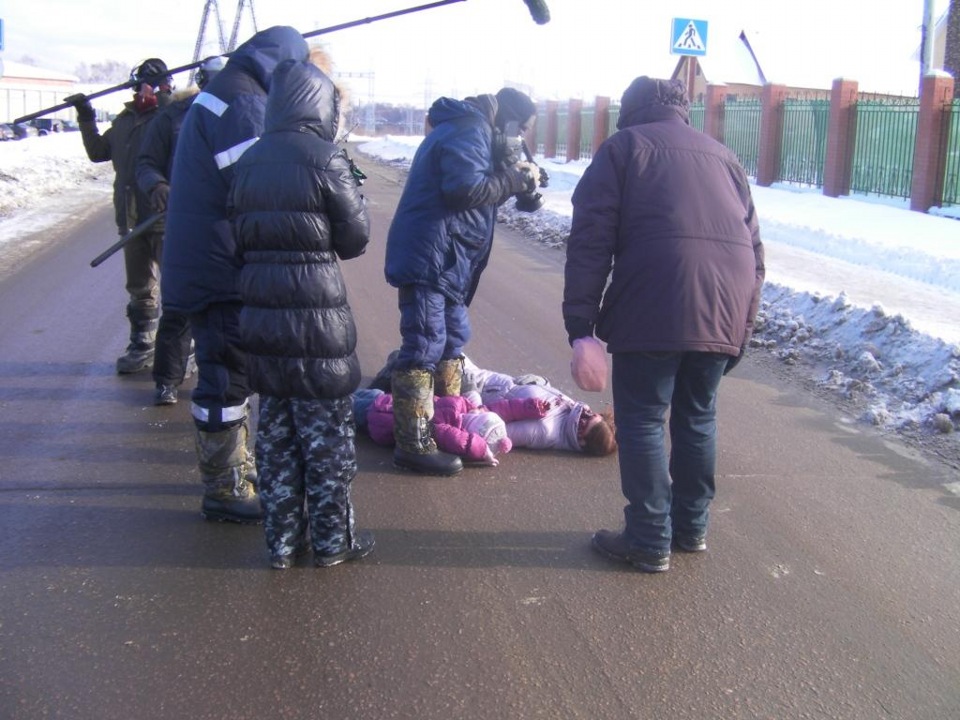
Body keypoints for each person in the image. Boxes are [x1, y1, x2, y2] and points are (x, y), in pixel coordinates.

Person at [562, 76, 765, 573]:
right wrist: (741, 328)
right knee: (697, 417)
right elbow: (756, 255)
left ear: (629, 113)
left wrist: (581, 328)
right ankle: (691, 528)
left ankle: (649, 538)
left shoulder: (623, 148)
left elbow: (591, 242)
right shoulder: (725, 158)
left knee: (644, 418)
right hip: (725, 304)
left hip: (654, 299)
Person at [161, 26, 310, 524]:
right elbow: (258, 187)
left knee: (228, 369)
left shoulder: (224, 91)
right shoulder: (243, 102)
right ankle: (224, 486)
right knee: (226, 375)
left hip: (208, 259)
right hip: (220, 266)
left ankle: (232, 472)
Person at [230, 57, 373, 570]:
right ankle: (333, 542)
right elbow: (355, 239)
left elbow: (235, 238)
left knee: (276, 439)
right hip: (317, 323)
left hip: (262, 318)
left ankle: (283, 544)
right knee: (327, 441)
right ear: (322, 103)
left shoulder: (246, 160)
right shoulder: (325, 158)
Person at [383, 87, 544, 476]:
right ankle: (414, 443)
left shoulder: (475, 132)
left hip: (450, 258)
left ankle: (446, 421)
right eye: (521, 128)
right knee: (425, 342)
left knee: (453, 338)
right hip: (431, 256)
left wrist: (519, 185)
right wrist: (512, 180)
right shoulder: (469, 129)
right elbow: (463, 191)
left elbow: (477, 194)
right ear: (506, 120)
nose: (521, 137)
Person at [65, 59, 174, 375]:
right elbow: (98, 152)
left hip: (165, 216)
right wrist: (86, 117)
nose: (145, 90)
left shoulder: (171, 118)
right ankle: (143, 343)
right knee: (139, 285)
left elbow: (183, 141)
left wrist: (164, 95)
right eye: (143, 84)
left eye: (152, 85)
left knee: (180, 288)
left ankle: (186, 347)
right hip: (130, 217)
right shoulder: (124, 122)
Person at [136, 56, 226, 405]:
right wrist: (156, 185)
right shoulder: (172, 117)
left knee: (225, 308)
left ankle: (224, 383)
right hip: (181, 225)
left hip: (225, 227)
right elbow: (146, 163)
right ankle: (167, 381)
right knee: (178, 307)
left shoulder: (241, 115)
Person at [464, 359, 617, 456]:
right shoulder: (571, 413)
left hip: (475, 388)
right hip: (486, 378)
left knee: (447, 337)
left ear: (582, 442)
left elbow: (490, 432)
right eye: (591, 415)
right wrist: (541, 384)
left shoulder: (544, 430)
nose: (583, 415)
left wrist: (472, 396)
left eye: (584, 423)